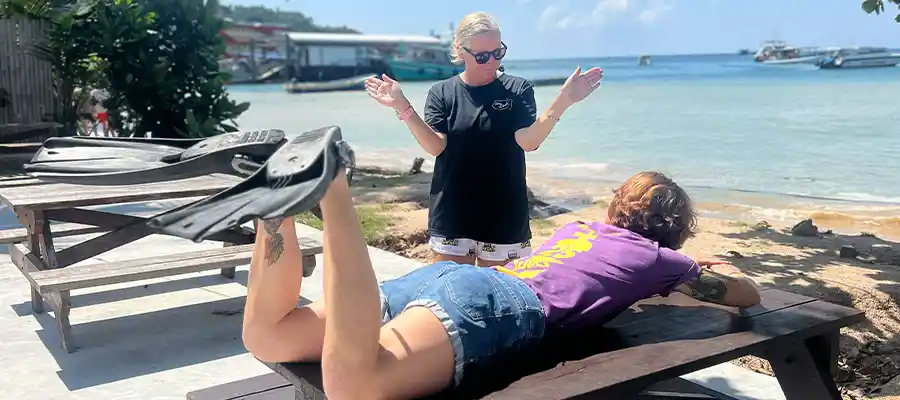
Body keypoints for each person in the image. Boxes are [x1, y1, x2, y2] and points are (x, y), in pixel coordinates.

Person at [241, 169, 762, 400]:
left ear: (617, 207)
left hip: (453, 277)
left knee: (270, 336)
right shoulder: (660, 259)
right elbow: (746, 295)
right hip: (497, 306)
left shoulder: (582, 228)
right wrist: (696, 267)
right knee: (354, 388)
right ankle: (334, 191)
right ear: (674, 230)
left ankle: (275, 212)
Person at [364, 12, 604, 266]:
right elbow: (436, 145)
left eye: (498, 52)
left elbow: (529, 141)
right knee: (453, 299)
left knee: (501, 302)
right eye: (482, 56)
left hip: (505, 216)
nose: (492, 62)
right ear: (460, 51)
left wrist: (564, 99)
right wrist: (402, 106)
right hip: (452, 217)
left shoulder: (518, 89)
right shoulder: (442, 92)